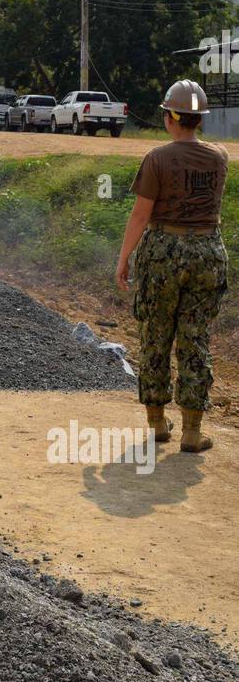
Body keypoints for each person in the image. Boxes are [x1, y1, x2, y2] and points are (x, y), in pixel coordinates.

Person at [116, 79, 228, 452]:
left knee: (156, 336)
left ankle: (156, 424)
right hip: (207, 252)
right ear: (199, 119)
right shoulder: (219, 157)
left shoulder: (157, 158)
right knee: (195, 338)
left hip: (163, 253)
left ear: (169, 118)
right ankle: (193, 431)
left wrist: (124, 257)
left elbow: (140, 215)